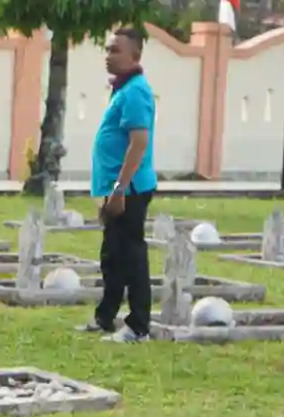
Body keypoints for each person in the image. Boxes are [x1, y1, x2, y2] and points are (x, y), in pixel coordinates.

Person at [80, 26, 157, 344]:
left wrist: (119, 189)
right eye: (108, 49)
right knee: (112, 255)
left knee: (131, 256)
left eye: (115, 50)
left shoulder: (136, 91)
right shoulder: (124, 89)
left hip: (130, 189)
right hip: (116, 187)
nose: (108, 56)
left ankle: (138, 326)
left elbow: (138, 143)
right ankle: (105, 317)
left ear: (134, 55)